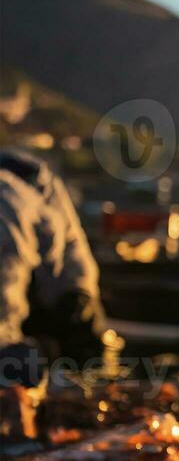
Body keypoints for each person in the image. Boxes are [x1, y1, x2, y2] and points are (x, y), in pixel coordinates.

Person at [1, 149, 105, 440]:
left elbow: (4, 295)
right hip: (51, 289)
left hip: (63, 300)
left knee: (21, 364)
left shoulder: (7, 201)